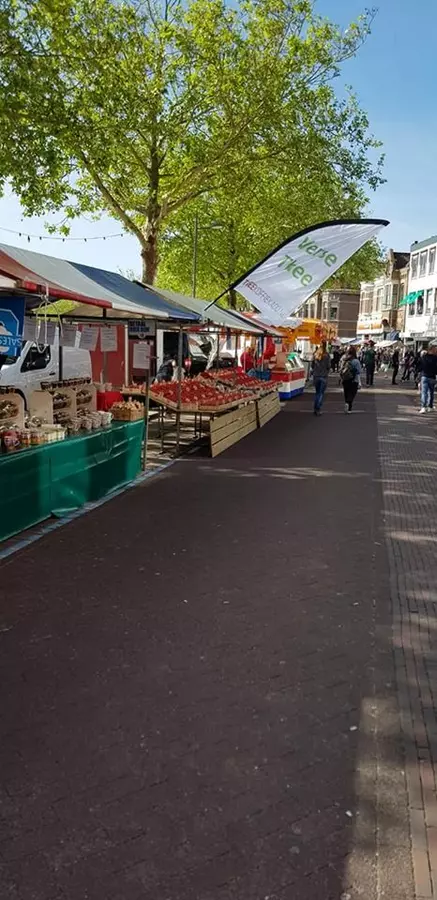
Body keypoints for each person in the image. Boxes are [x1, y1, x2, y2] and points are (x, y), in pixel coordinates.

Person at [311, 341, 331, 416]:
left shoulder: (315, 354)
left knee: (317, 393)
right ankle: (318, 409)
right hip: (323, 376)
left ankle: (315, 408)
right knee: (321, 393)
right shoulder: (327, 355)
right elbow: (328, 366)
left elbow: (312, 365)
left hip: (316, 376)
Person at [340, 345, 361, 413]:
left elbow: (341, 369)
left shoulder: (344, 359)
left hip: (345, 379)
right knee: (352, 393)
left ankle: (347, 404)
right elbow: (358, 372)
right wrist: (359, 382)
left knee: (346, 392)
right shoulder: (356, 361)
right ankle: (349, 407)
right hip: (354, 379)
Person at [419, 345, 437, 413]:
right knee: (431, 393)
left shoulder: (423, 357)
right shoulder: (435, 358)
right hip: (432, 377)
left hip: (424, 376)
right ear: (432, 350)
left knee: (424, 392)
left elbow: (420, 366)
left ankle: (423, 407)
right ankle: (430, 406)